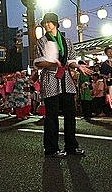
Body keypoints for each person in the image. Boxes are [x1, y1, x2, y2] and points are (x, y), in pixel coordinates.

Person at [34, 12, 85, 158]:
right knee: (51, 116)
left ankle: (71, 146)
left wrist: (78, 66)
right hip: (50, 79)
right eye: (45, 22)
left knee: (70, 114)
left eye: (49, 22)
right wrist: (51, 62)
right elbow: (38, 62)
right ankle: (51, 148)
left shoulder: (67, 41)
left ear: (56, 23)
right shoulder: (42, 41)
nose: (46, 25)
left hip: (66, 80)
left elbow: (71, 60)